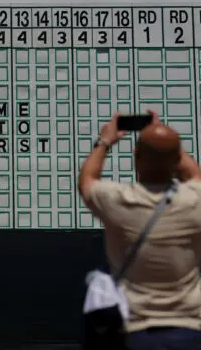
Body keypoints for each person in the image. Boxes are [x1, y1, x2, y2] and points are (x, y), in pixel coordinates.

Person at [78, 111, 201, 349]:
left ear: (136, 157)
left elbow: (87, 181)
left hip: (136, 332)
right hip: (191, 330)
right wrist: (166, 143)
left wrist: (104, 142)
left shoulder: (119, 200)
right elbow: (194, 174)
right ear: (176, 161)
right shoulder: (195, 201)